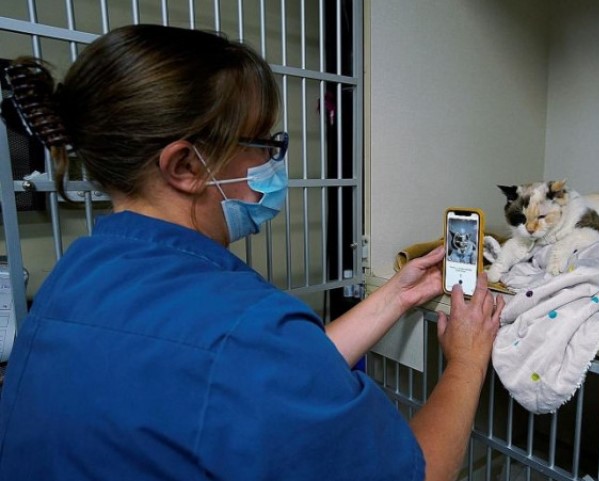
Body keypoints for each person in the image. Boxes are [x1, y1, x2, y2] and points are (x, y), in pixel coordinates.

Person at [0, 24, 504, 481]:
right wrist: (466, 360)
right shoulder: (244, 326)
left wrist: (396, 296)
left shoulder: (73, 276)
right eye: (262, 144)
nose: (272, 163)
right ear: (185, 166)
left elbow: (252, 380)